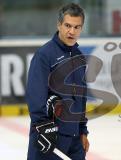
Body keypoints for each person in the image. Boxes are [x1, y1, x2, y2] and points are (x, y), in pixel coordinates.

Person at [26, 3, 89, 160]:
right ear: (59, 25)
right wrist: (43, 128)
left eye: (77, 27)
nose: (71, 31)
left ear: (81, 29)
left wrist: (82, 131)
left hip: (74, 140)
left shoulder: (80, 58)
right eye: (68, 25)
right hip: (49, 138)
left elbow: (81, 98)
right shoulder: (44, 55)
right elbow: (35, 96)